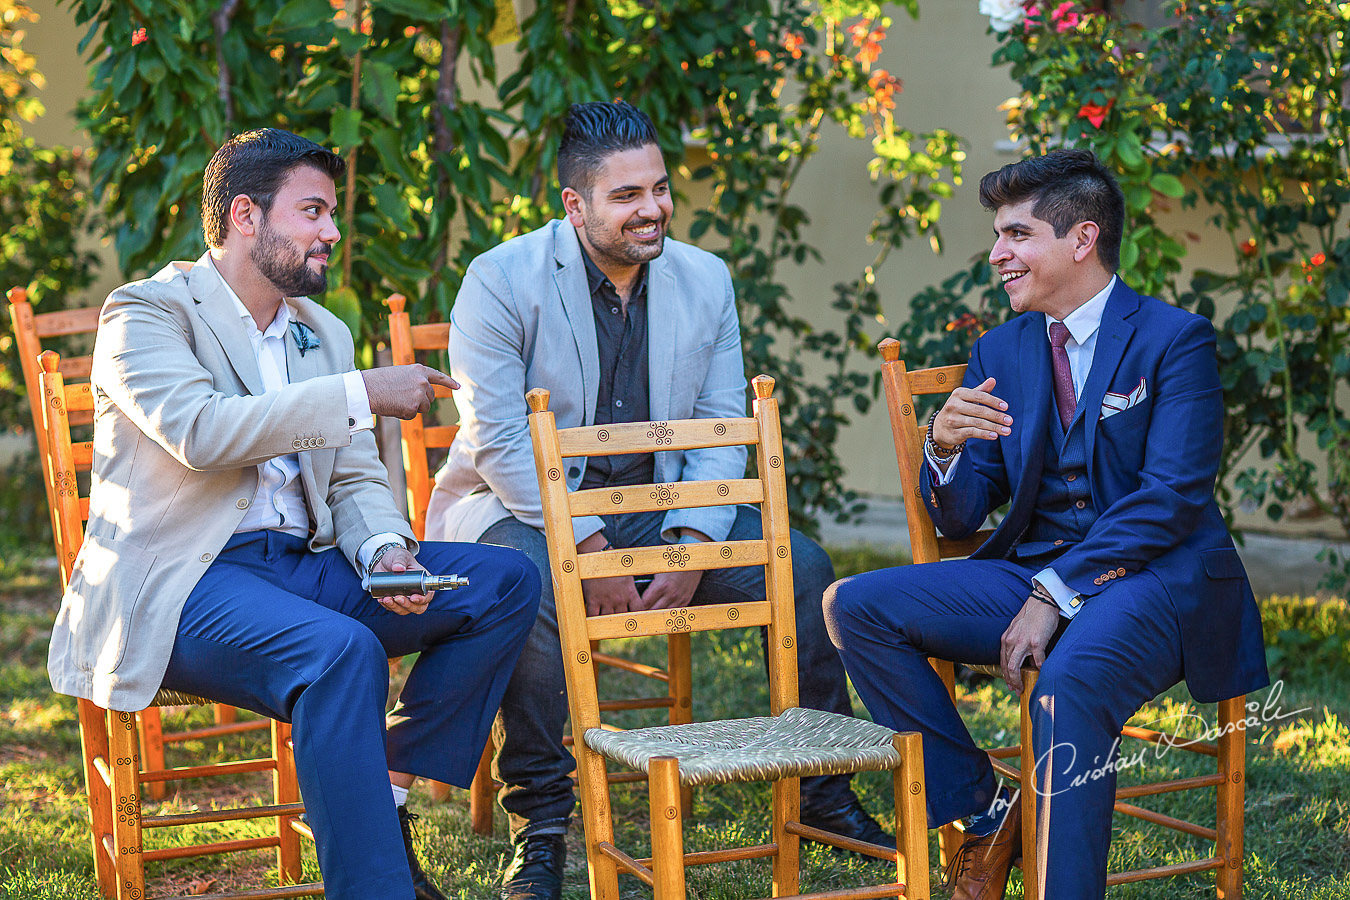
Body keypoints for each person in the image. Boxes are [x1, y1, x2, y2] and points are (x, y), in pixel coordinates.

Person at [45, 128, 541, 900]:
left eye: (332, 213)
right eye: (313, 211)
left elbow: (352, 476)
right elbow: (202, 432)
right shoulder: (144, 314)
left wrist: (383, 550)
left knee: (505, 580)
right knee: (343, 654)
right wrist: (360, 395)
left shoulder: (324, 330)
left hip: (303, 567)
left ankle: (379, 797)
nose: (332, 232)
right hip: (182, 584)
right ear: (246, 215)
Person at [425, 100, 891, 900]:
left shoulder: (704, 277)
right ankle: (540, 818)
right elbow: (501, 442)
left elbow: (717, 422)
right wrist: (593, 547)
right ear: (574, 205)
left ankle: (823, 793)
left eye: (661, 189)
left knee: (806, 569)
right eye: (627, 196)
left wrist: (692, 537)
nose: (653, 209)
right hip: (520, 504)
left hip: (666, 502)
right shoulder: (499, 280)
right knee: (529, 586)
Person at [823, 149, 1269, 900]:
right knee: (854, 607)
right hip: (1035, 574)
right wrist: (944, 446)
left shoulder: (1173, 340)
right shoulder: (1002, 348)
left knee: (1067, 684)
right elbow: (966, 512)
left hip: (1157, 579)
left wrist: (1055, 590)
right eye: (999, 236)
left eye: (1017, 235)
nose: (998, 254)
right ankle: (986, 804)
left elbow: (1172, 498)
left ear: (1082, 239)